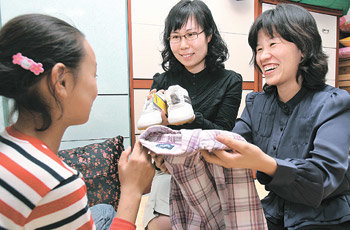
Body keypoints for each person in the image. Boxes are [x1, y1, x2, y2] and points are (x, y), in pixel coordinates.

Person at [201, 3, 350, 230]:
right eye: (259, 49)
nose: (263, 56)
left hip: (325, 215)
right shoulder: (255, 103)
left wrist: (264, 163)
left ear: (303, 48)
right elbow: (230, 144)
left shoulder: (335, 103)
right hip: (275, 210)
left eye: (273, 44)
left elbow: (323, 177)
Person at [0, 14, 154, 230]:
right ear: (61, 82)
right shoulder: (59, 183)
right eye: (94, 75)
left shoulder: (8, 142)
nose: (96, 89)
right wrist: (132, 189)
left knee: (103, 211)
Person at [142, 0, 243, 229]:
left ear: (208, 35)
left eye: (191, 34)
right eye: (175, 37)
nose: (183, 45)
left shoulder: (230, 81)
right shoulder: (162, 82)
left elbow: (224, 135)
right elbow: (152, 136)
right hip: (170, 172)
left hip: (213, 172)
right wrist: (157, 154)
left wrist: (189, 117)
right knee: (161, 225)